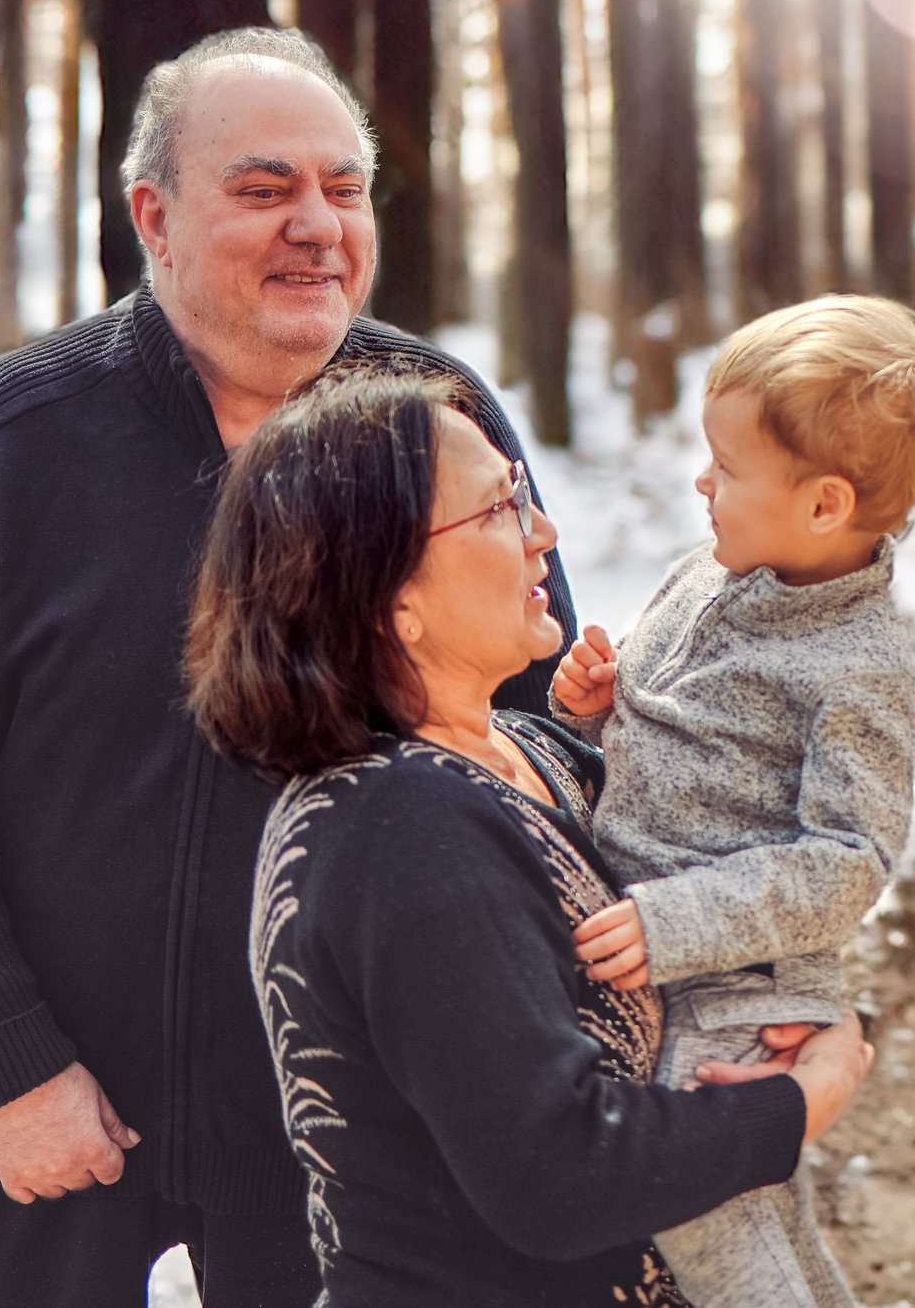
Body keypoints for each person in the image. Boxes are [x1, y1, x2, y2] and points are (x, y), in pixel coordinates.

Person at [0, 28, 571, 1304]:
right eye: (265, 186)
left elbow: (527, 715)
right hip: (59, 1098)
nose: (318, 225)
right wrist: (3, 1060)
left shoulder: (431, 422)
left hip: (349, 1106)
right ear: (152, 214)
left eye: (344, 187)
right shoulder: (7, 442)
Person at [183, 366, 876, 1306]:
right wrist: (798, 1102)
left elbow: (738, 869)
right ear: (391, 595)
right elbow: (560, 1171)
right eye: (500, 508)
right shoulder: (395, 827)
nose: (543, 529)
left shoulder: (529, 750)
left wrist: (801, 1011)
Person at [550, 295, 915, 1308]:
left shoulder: (854, 666)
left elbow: (848, 861)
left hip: (737, 988)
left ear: (823, 504)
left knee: (711, 1220)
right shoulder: (713, 569)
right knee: (756, 1222)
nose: (702, 480)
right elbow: (684, 744)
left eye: (727, 469)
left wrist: (678, 921)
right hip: (657, 951)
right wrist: (604, 710)